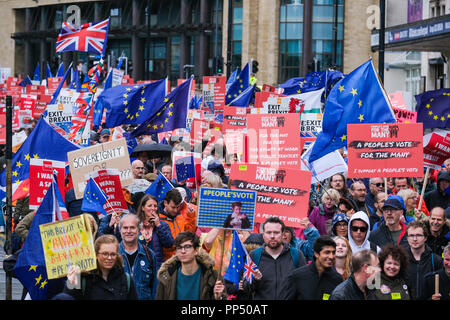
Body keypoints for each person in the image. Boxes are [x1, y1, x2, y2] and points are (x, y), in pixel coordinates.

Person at [242, 216, 307, 300]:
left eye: (276, 232)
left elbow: (304, 285)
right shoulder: (254, 255)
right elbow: (246, 288)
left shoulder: (296, 254)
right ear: (263, 234)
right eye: (268, 232)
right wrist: (254, 280)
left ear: (283, 234)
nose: (272, 236)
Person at [63, 235, 138, 300]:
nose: (109, 258)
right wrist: (71, 284)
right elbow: (68, 297)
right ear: (96, 255)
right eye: (105, 254)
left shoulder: (126, 279)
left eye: (113, 254)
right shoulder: (84, 278)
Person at [156, 231, 226, 300]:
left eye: (187, 247)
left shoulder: (212, 275)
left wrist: (217, 298)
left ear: (196, 250)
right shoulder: (167, 275)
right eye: (179, 247)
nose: (183, 251)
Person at [282, 236, 343, 300]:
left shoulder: (337, 279)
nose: (331, 256)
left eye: (333, 252)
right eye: (327, 252)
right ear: (316, 254)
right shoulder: (297, 276)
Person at [118, 214, 158, 300]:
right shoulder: (113, 254)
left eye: (132, 227)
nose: (128, 231)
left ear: (139, 230)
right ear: (120, 230)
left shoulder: (149, 255)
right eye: (125, 228)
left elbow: (155, 288)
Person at [405, 220, 443, 299]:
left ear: (425, 237)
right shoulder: (401, 259)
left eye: (419, 235)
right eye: (411, 235)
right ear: (407, 238)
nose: (415, 239)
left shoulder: (436, 260)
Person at [136, 195, 174, 271]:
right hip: (139, 265)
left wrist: (158, 225)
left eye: (155, 206)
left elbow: (169, 244)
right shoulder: (135, 224)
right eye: (149, 206)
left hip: (156, 266)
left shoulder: (162, 225)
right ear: (143, 208)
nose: (153, 208)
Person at [159, 188, 197, 261]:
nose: (176, 210)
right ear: (165, 203)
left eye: (178, 207)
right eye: (173, 207)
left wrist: (191, 216)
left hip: (181, 260)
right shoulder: (158, 220)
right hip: (166, 262)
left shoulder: (179, 216)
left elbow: (189, 233)